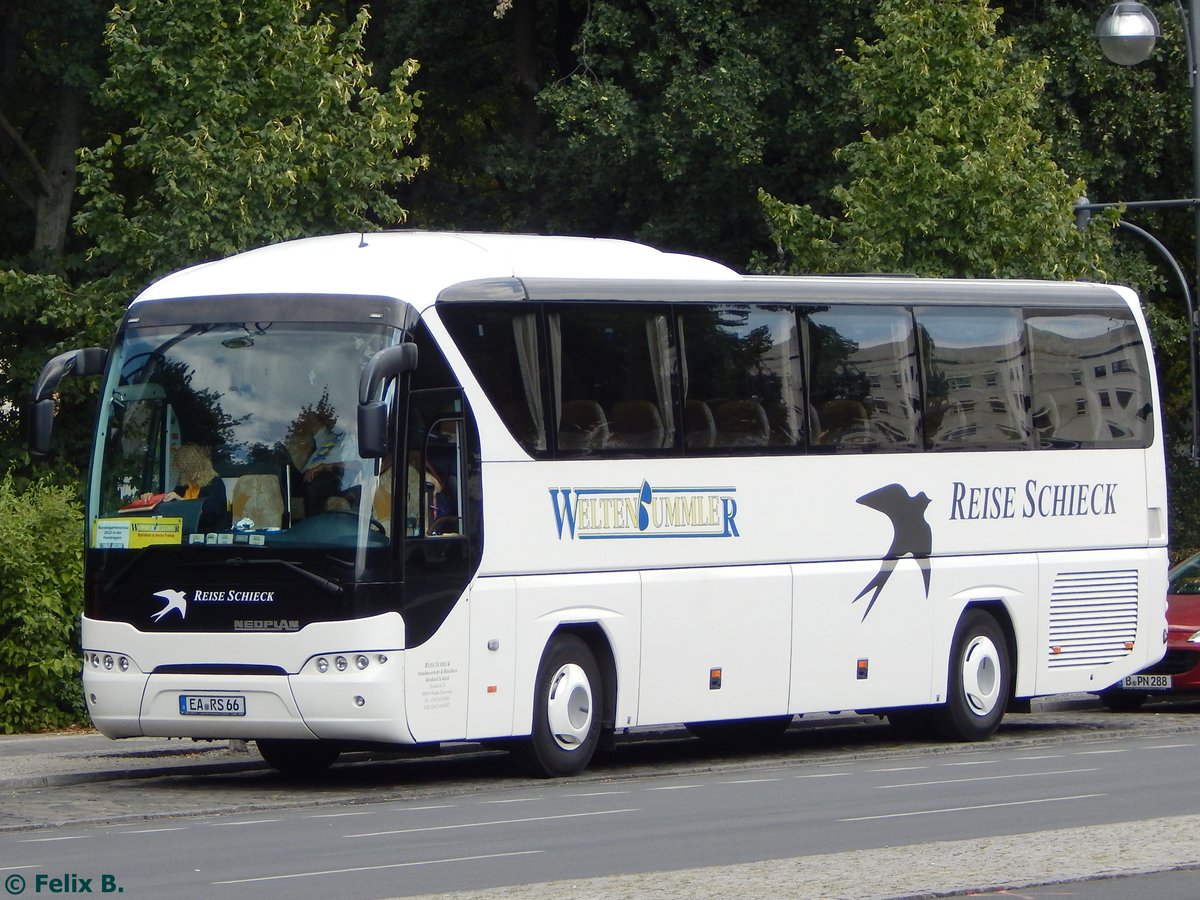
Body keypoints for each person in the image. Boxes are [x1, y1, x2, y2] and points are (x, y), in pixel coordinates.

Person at [142, 443, 230, 532]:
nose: (185, 473)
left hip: (208, 537)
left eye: (187, 469)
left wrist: (181, 501)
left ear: (199, 466)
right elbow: (169, 504)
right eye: (182, 470)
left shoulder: (215, 483)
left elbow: (208, 517)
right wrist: (152, 499)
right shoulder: (185, 484)